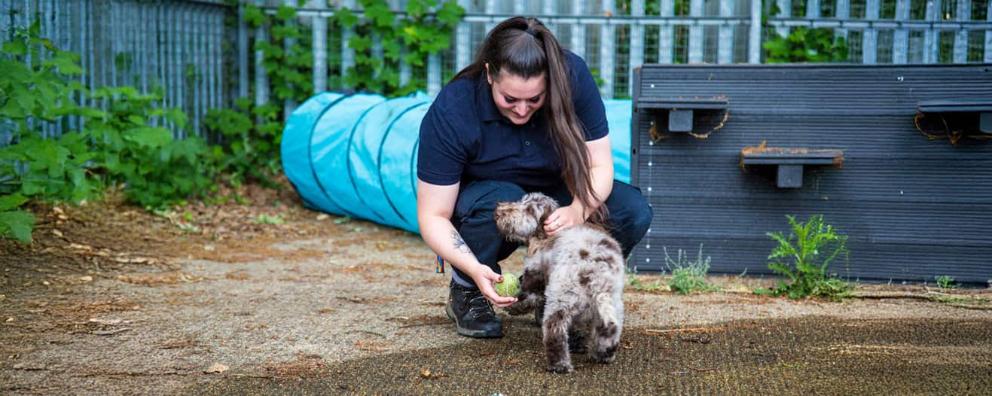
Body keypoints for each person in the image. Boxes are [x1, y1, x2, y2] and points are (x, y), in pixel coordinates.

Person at [416, 16, 652, 339]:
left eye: (534, 99)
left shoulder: (573, 78)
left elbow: (600, 166)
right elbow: (432, 215)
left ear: (550, 83)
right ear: (489, 74)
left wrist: (578, 209)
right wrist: (471, 267)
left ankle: (557, 290)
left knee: (632, 210)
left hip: (557, 190)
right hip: (488, 199)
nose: (523, 110)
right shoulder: (454, 109)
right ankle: (467, 290)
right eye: (510, 99)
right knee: (503, 198)